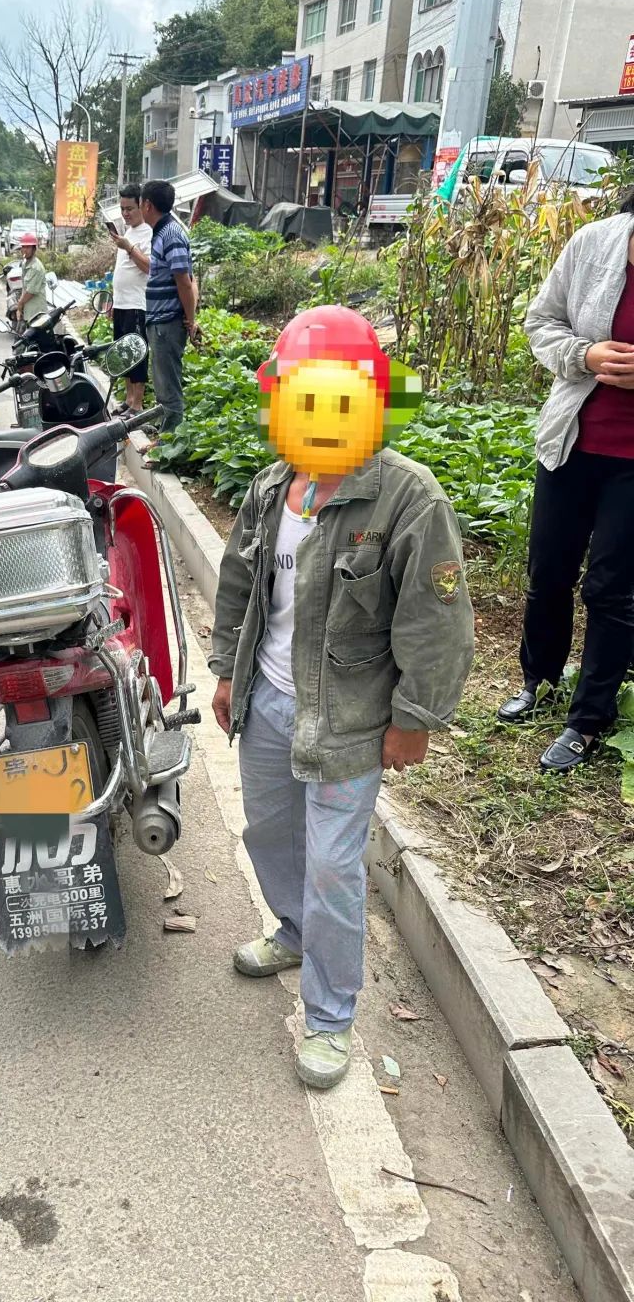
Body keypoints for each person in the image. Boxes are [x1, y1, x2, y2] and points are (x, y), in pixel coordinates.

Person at [209, 307, 474, 1090]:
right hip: (268, 704)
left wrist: (415, 720)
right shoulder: (269, 488)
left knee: (334, 866)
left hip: (352, 722)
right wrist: (227, 671)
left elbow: (437, 619)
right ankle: (292, 933)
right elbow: (236, 586)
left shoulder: (407, 500)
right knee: (270, 835)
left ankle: (329, 1019)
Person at [498, 189, 634, 772]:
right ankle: (540, 682)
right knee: (548, 570)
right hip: (571, 443)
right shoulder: (593, 244)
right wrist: (586, 355)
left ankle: (587, 720)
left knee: (611, 589)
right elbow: (541, 320)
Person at [139, 179, 196, 437]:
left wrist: (191, 320)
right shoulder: (162, 233)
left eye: (140, 203)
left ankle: (171, 444)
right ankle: (167, 434)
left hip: (167, 323)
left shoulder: (171, 234)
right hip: (160, 321)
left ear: (148, 205)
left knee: (168, 386)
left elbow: (184, 282)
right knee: (162, 383)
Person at [109, 183, 152, 418]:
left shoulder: (148, 232)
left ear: (142, 206)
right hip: (122, 303)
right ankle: (128, 400)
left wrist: (129, 248)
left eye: (130, 208)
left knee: (137, 353)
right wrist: (114, 301)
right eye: (122, 208)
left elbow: (149, 267)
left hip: (138, 303)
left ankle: (137, 404)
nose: (125, 213)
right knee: (123, 352)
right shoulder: (127, 232)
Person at [15, 233, 47, 326]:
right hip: (28, 310)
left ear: (34, 249)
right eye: (23, 247)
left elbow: (30, 291)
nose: (25, 250)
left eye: (28, 247)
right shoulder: (26, 263)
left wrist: (20, 305)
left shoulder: (35, 267)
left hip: (36, 312)